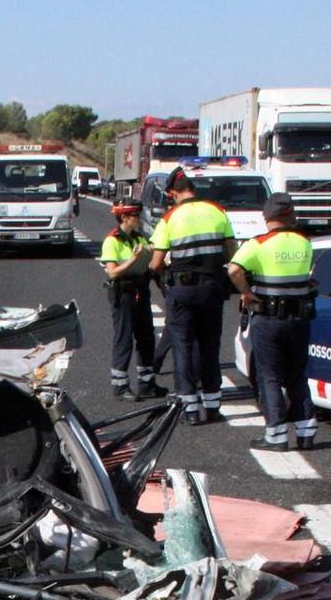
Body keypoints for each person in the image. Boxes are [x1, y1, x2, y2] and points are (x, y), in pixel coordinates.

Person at [227, 193, 317, 452]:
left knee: (270, 376)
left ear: (266, 218)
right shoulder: (304, 242)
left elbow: (234, 270)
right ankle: (306, 430)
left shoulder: (259, 243)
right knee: (298, 374)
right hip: (299, 319)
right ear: (290, 215)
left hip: (269, 318)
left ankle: (276, 435)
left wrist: (246, 292)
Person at [146, 168, 236, 423]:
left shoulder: (170, 217)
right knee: (210, 345)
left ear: (174, 192)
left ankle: (191, 409)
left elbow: (155, 263)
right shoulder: (217, 211)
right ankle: (213, 404)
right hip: (212, 289)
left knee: (183, 346)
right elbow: (232, 252)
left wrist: (167, 276)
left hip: (182, 291)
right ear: (193, 190)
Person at [99, 203, 161, 400]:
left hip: (140, 290)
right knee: (124, 338)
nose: (138, 218)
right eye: (135, 215)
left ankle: (146, 382)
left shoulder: (138, 237)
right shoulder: (112, 241)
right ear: (124, 218)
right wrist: (133, 260)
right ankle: (120, 385)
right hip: (123, 293)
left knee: (146, 336)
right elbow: (112, 272)